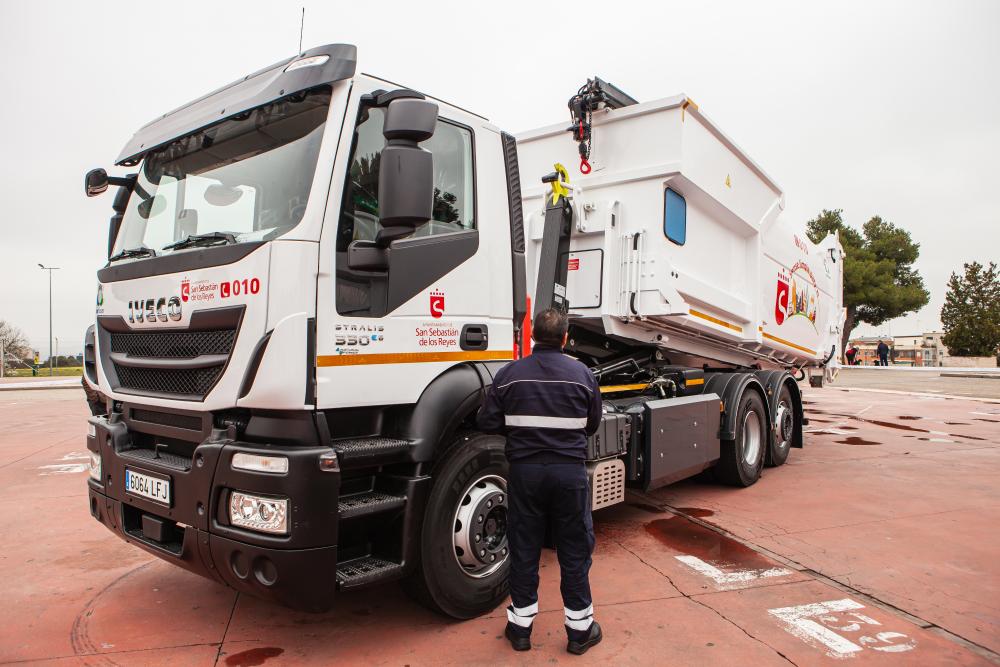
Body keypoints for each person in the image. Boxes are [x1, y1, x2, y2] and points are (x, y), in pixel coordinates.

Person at [477, 308, 604, 655]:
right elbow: (592, 423)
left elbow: (487, 420)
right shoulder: (582, 375)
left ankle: (520, 629)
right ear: (565, 338)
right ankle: (580, 632)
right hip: (569, 475)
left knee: (525, 546)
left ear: (532, 336)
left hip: (525, 474)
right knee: (574, 550)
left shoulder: (509, 375)